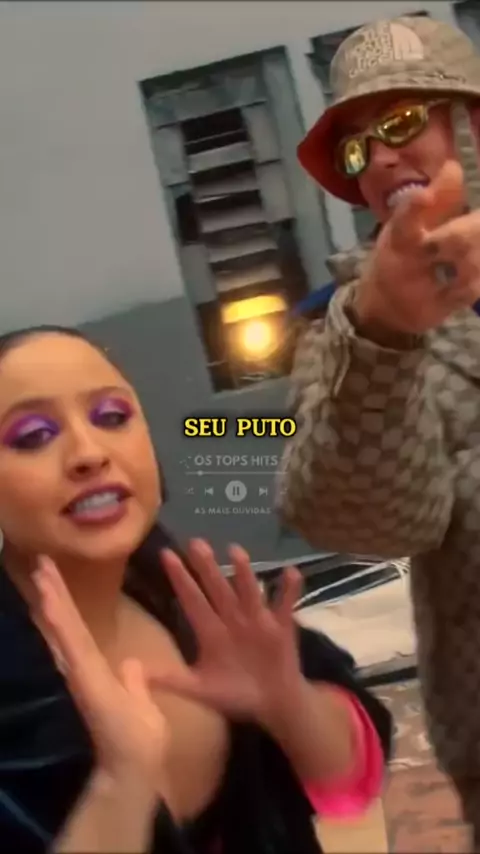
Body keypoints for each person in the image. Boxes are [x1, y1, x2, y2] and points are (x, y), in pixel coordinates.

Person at [0, 324, 391, 854]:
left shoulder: (187, 600)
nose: (89, 453)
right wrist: (121, 784)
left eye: (112, 417)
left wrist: (288, 705)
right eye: (32, 436)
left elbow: (348, 786)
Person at [276, 12, 480, 850]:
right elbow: (366, 521)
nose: (381, 158)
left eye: (400, 121)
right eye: (358, 149)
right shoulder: (345, 332)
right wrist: (387, 337)